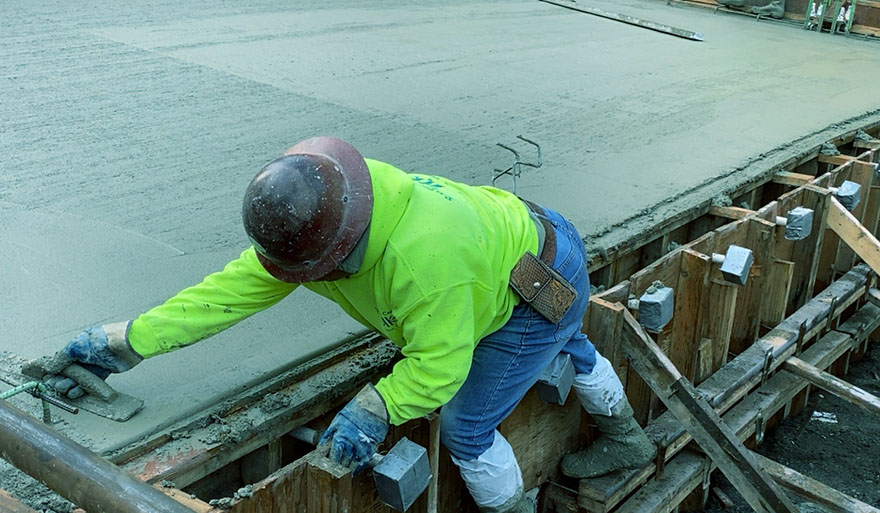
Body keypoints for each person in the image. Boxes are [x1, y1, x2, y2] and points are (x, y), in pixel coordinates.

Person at [37, 137, 655, 512]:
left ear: (330, 260)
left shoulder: (425, 266)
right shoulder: (331, 206)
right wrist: (128, 340)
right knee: (571, 339)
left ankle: (524, 503)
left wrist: (378, 405)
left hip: (534, 286)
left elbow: (440, 365)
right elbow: (226, 294)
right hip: (522, 241)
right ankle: (628, 439)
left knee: (467, 428)